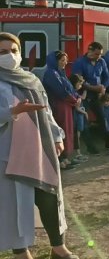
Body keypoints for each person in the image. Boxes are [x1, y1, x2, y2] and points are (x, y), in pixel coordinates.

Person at [0, 32, 79, 259]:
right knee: (15, 203)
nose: (10, 56)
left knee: (49, 195)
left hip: (38, 146)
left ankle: (58, 247)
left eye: (14, 51)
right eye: (3, 52)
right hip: (8, 152)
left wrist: (56, 136)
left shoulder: (31, 79)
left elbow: (46, 110)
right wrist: (11, 112)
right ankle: (21, 252)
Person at [42, 51, 79, 169]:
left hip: (66, 105)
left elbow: (70, 88)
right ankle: (60, 160)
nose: (65, 63)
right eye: (62, 60)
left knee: (67, 131)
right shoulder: (51, 74)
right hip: (58, 106)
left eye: (65, 60)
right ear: (55, 61)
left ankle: (66, 158)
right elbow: (61, 90)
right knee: (60, 131)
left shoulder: (60, 73)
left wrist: (76, 98)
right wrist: (74, 100)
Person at [71, 42, 109, 150]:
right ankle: (91, 148)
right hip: (84, 95)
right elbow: (78, 81)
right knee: (84, 121)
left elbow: (107, 77)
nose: (99, 56)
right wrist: (94, 88)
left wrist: (103, 88)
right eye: (97, 54)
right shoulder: (79, 62)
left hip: (98, 95)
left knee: (103, 118)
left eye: (100, 54)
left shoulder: (101, 61)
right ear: (90, 51)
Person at [69, 74, 97, 157]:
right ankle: (77, 153)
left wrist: (85, 89)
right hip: (77, 115)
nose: (80, 85)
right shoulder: (73, 93)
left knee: (78, 134)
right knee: (77, 135)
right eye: (79, 83)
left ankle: (78, 152)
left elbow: (83, 97)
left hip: (79, 115)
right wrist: (85, 113)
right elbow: (77, 107)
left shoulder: (75, 92)